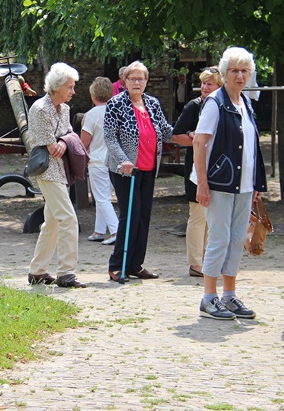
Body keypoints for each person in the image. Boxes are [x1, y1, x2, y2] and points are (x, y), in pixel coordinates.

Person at [192, 47, 267, 320]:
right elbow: (199, 143)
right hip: (219, 183)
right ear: (224, 74)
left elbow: (252, 147)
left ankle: (229, 295)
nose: (239, 75)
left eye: (244, 70)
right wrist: (202, 183)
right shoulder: (215, 102)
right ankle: (208, 298)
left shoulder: (245, 103)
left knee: (236, 240)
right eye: (234, 70)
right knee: (220, 238)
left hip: (244, 184)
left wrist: (257, 181)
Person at [104, 60, 174, 282]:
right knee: (130, 216)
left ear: (146, 81)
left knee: (143, 216)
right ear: (124, 81)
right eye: (132, 78)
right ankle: (117, 265)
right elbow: (109, 136)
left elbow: (166, 130)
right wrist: (124, 160)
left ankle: (135, 264)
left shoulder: (152, 103)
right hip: (126, 170)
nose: (137, 82)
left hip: (148, 168)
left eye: (141, 78)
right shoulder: (116, 104)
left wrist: (192, 135)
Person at [26, 62, 86, 289]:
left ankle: (37, 271)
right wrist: (60, 142)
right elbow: (50, 146)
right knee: (68, 218)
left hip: (62, 170)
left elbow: (68, 135)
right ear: (57, 86)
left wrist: (63, 140)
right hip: (47, 171)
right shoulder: (40, 109)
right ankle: (66, 273)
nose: (73, 91)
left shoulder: (65, 109)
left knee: (51, 222)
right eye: (70, 87)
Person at [171, 67, 223, 277]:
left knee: (213, 218)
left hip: (218, 169)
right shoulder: (195, 106)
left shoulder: (223, 105)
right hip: (196, 167)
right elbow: (176, 136)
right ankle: (195, 263)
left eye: (209, 84)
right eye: (203, 83)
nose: (204, 87)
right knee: (198, 214)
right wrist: (196, 138)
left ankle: (209, 259)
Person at [81, 77, 119, 246]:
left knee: (102, 198)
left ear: (93, 95)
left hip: (98, 161)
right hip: (115, 161)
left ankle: (116, 230)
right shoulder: (117, 112)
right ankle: (99, 230)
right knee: (103, 196)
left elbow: (84, 143)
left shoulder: (91, 115)